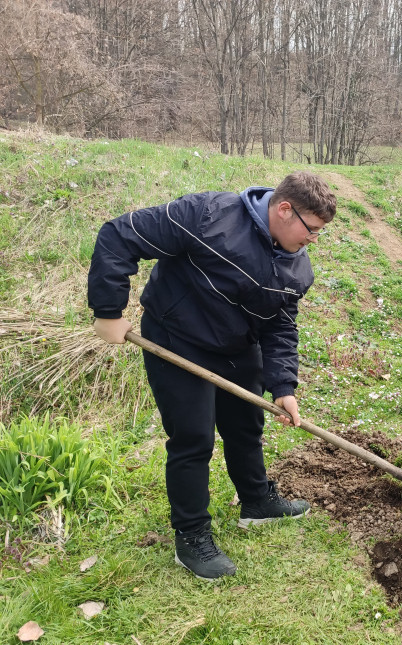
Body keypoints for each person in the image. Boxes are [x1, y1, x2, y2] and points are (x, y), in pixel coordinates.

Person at [87, 172, 337, 580]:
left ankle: (256, 501)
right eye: (312, 230)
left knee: (245, 427)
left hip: (238, 346)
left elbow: (280, 326)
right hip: (177, 338)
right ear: (284, 209)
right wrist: (108, 311)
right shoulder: (206, 215)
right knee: (193, 439)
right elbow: (120, 235)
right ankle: (192, 537)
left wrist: (283, 386)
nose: (314, 240)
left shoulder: (296, 266)